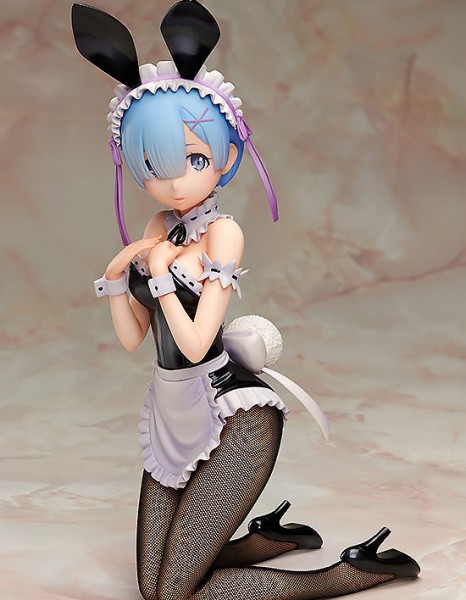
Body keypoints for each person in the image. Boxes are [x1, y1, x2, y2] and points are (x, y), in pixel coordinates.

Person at [72, 2, 420, 599]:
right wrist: (115, 278)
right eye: (152, 166)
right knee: (153, 587)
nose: (173, 181)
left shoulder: (223, 234)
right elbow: (134, 340)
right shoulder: (159, 226)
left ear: (227, 157)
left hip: (233, 415)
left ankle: (354, 570)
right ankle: (264, 540)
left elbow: (196, 343)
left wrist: (160, 278)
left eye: (194, 160)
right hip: (171, 412)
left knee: (174, 595)